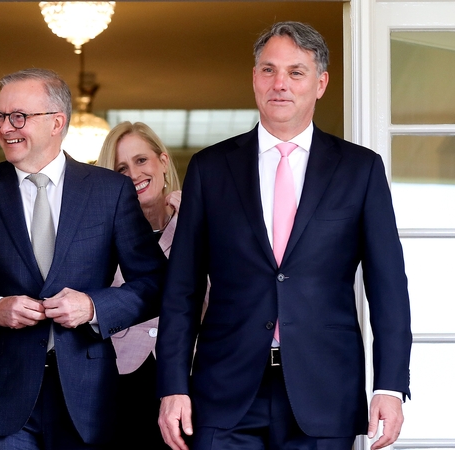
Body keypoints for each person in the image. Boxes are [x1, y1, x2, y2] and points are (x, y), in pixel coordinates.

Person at [156, 21, 412, 450]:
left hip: (325, 389)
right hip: (223, 393)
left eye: (296, 72)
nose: (280, 84)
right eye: (268, 70)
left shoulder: (359, 169)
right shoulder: (210, 169)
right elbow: (181, 290)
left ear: (321, 83)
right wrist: (172, 385)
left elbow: (388, 287)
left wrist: (389, 385)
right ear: (254, 78)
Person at [0, 68, 166, 449]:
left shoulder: (111, 191)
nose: (5, 127)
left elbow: (155, 283)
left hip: (87, 399)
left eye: (18, 116)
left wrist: (92, 306)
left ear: (57, 122)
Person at [95, 121, 181, 449]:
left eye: (141, 160)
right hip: (122, 377)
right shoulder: (101, 232)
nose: (133, 173)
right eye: (120, 167)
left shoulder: (199, 221)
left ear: (162, 161)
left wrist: (197, 223)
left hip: (187, 375)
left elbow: (220, 299)